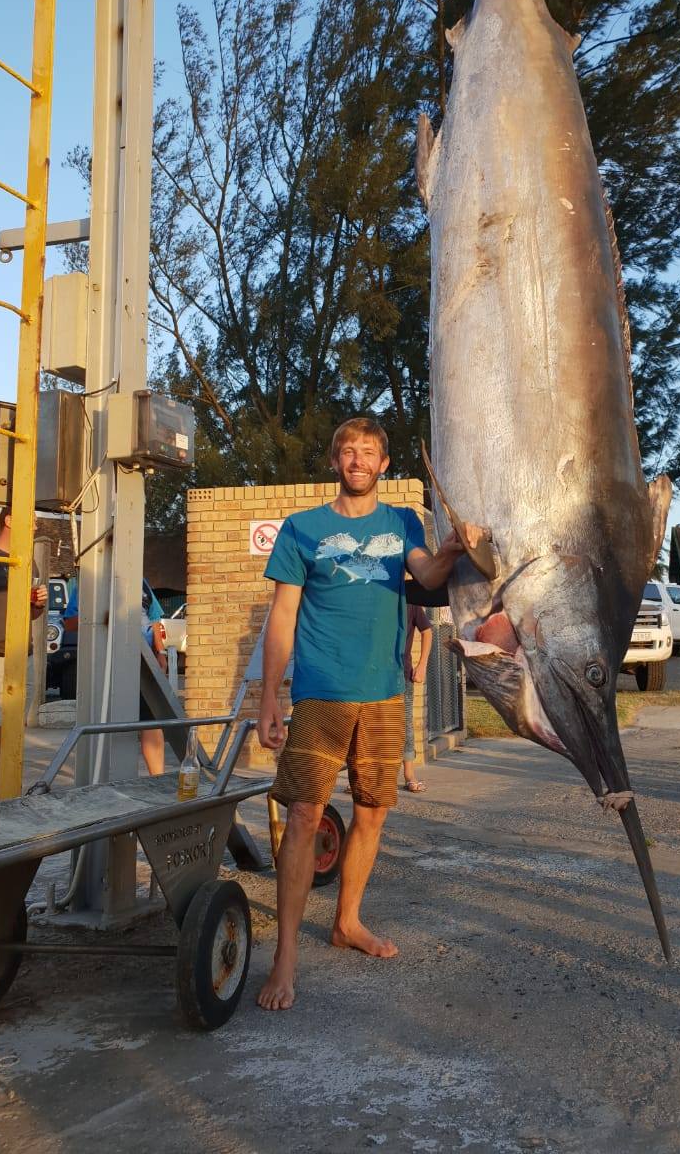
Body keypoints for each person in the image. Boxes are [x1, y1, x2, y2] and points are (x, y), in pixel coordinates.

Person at [256, 417, 481, 1011]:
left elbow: (429, 574)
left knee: (372, 814)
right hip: (320, 695)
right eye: (348, 451)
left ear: (384, 465)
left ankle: (347, 921)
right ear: (335, 462)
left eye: (369, 452)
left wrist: (456, 544)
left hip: (382, 694)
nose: (357, 460)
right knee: (305, 816)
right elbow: (280, 619)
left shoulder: (402, 521)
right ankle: (285, 958)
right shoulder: (302, 530)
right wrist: (268, 697)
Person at [63, 577, 166, 775]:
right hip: (106, 659)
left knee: (151, 719)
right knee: (110, 718)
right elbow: (69, 624)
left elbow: (154, 620)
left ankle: (158, 778)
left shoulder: (142, 582)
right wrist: (99, 612)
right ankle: (104, 775)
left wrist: (160, 652)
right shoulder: (87, 582)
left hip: (143, 660)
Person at [0, 505, 47, 800]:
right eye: (32, 521)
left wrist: (37, 604)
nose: (36, 526)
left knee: (11, 733)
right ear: (9, 520)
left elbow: (30, 615)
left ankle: (4, 799)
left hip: (24, 658)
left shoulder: (29, 564)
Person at [401, 604, 433, 793]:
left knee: (405, 725)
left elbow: (427, 631)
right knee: (369, 725)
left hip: (402, 674)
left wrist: (422, 665)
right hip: (373, 675)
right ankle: (364, 776)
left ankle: (409, 775)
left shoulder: (410, 602)